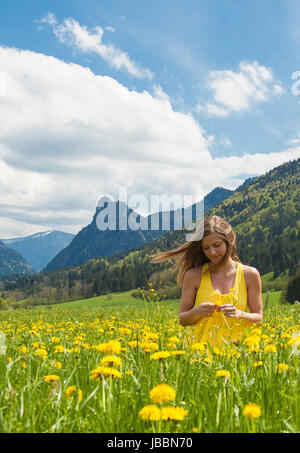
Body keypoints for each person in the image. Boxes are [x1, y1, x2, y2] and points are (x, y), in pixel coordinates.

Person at [151, 215, 263, 347]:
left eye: (217, 245)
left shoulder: (250, 274)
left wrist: (240, 314)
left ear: (229, 240)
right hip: (200, 353)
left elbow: (259, 318)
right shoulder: (193, 276)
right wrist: (196, 312)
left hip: (237, 351)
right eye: (206, 248)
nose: (212, 252)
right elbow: (183, 320)